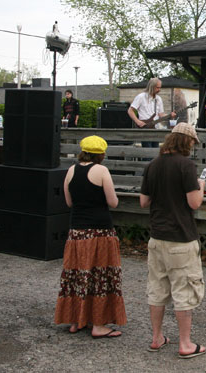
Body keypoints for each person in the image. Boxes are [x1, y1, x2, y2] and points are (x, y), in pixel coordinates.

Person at [139, 123, 206, 359]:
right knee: (184, 290)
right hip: (181, 238)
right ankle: (185, 344)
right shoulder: (186, 166)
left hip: (157, 237)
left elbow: (143, 202)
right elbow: (194, 203)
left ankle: (157, 338)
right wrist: (201, 186)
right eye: (192, 143)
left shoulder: (153, 165)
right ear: (185, 142)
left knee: (157, 289)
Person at [54, 135, 127, 338]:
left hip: (76, 231)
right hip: (100, 231)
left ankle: (77, 320)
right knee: (100, 277)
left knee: (79, 276)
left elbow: (69, 202)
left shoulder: (71, 170)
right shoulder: (101, 170)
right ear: (101, 154)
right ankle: (99, 325)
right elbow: (113, 202)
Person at [129, 78, 175, 148]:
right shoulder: (141, 97)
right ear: (152, 86)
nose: (159, 89)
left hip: (155, 128)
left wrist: (170, 115)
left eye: (160, 87)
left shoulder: (158, 99)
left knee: (155, 152)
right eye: (157, 87)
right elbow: (130, 110)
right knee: (147, 153)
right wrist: (137, 121)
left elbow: (161, 115)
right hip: (145, 128)